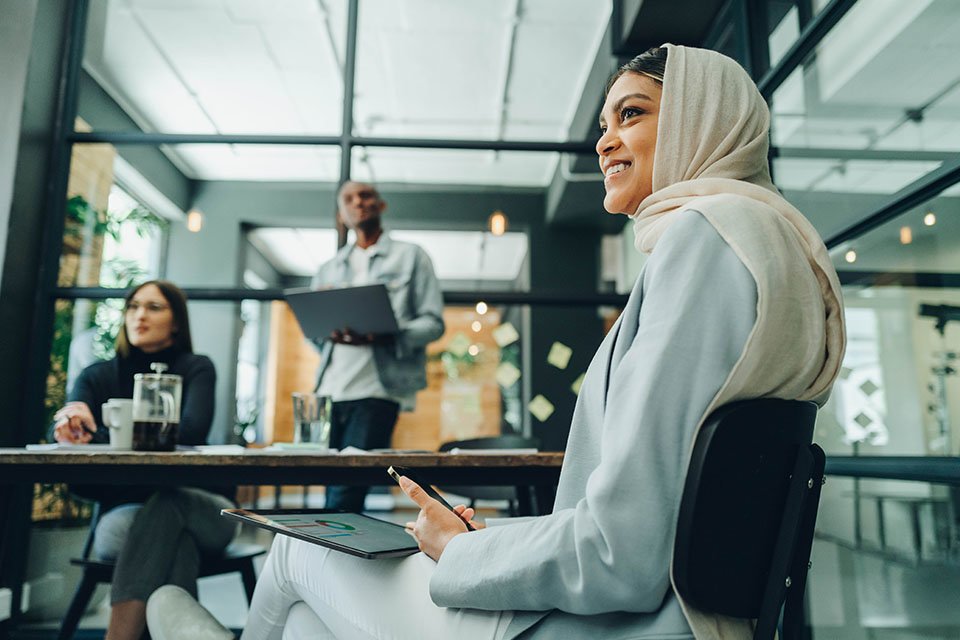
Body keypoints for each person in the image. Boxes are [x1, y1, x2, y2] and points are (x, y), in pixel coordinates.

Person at [146, 44, 845, 640]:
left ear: (703, 119)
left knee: (295, 559)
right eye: (603, 122)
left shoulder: (705, 242)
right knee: (305, 624)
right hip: (660, 608)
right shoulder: (773, 248)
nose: (601, 141)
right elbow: (645, 514)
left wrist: (463, 553)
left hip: (623, 622)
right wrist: (490, 541)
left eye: (630, 114)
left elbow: (619, 552)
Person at [52, 280, 236, 640]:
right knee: (173, 537)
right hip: (125, 518)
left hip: (205, 511)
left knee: (170, 502)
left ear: (177, 321)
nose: (139, 315)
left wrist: (102, 439)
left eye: (154, 307)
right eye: (133, 306)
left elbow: (192, 432)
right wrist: (68, 430)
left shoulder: (196, 368)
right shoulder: (97, 376)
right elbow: (72, 445)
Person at [310, 180, 445, 511]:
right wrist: (332, 333)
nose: (358, 202)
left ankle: (335, 556)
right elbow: (313, 332)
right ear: (341, 214)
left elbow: (433, 323)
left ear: (381, 205)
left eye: (366, 195)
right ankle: (333, 556)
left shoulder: (411, 257)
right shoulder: (327, 269)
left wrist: (387, 334)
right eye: (349, 199)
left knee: (347, 492)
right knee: (329, 485)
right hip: (329, 392)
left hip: (378, 393)